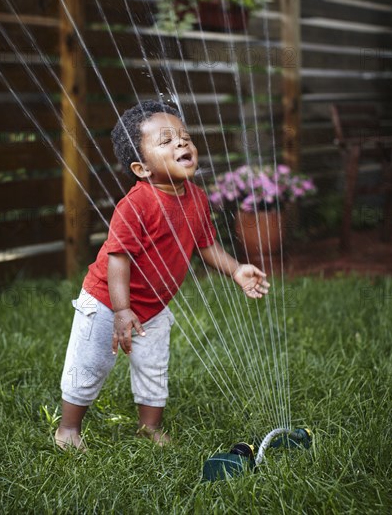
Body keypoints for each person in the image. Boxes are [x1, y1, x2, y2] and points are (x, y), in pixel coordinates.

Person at [55, 100, 270, 450]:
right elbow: (117, 260)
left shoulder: (197, 199)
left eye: (184, 137)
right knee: (89, 366)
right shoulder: (136, 205)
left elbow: (205, 245)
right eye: (166, 141)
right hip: (107, 303)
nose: (182, 144)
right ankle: (68, 428)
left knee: (154, 368)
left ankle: (149, 427)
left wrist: (236, 270)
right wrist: (121, 311)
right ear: (141, 168)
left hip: (153, 308)